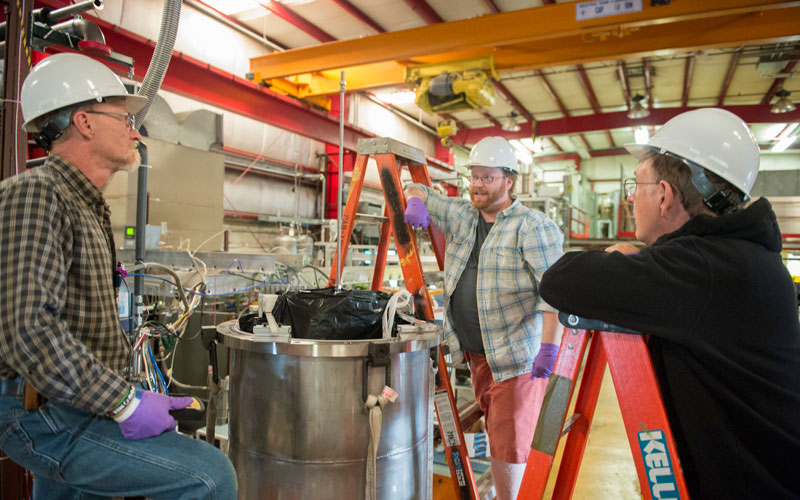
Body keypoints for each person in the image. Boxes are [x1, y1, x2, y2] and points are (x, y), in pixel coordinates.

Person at [0, 53, 237, 499]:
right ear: (85, 122)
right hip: (40, 412)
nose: (136, 130)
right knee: (209, 477)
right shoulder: (36, 194)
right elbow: (29, 329)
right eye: (124, 117)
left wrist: (127, 394)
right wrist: (124, 404)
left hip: (76, 403)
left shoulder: (87, 205)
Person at [539, 108, 800, 499]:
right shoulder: (737, 257)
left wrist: (624, 259)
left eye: (636, 184)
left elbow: (559, 280)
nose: (629, 196)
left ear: (664, 195)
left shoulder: (701, 269)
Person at [404, 136, 564, 500]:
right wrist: (415, 199)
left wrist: (549, 348)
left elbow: (554, 293)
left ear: (509, 181)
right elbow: (415, 186)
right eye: (474, 176)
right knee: (498, 437)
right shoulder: (463, 215)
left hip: (515, 362)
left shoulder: (532, 227)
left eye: (487, 178)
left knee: (509, 450)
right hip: (476, 358)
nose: (477, 184)